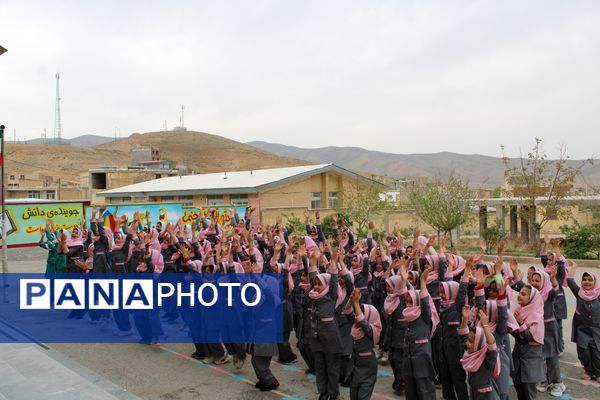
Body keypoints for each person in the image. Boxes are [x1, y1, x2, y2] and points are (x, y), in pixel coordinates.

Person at [344, 289, 382, 400]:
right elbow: (347, 312)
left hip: (368, 368)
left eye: (360, 313)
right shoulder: (356, 326)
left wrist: (356, 303)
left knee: (363, 397)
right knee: (354, 395)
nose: (357, 316)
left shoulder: (372, 329)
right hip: (355, 367)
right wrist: (351, 301)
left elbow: (365, 325)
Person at [510, 284, 545, 400]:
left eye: (523, 294)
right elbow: (518, 337)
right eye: (520, 293)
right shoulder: (519, 310)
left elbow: (529, 338)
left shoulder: (536, 316)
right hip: (519, 355)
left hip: (530, 358)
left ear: (532, 298)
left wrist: (521, 323)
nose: (519, 295)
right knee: (518, 384)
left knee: (529, 390)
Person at [567, 261, 600, 382]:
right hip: (582, 330)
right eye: (584, 279)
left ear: (595, 282)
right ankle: (588, 370)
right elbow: (570, 281)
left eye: (590, 280)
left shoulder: (598, 294)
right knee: (583, 352)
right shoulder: (579, 293)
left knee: (597, 354)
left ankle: (598, 372)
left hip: (597, 331)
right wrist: (573, 268)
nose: (587, 282)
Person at [458, 307, 501, 399]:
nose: (467, 343)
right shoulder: (472, 354)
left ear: (479, 343)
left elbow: (492, 346)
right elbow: (463, 338)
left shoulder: (487, 359)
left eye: (470, 341)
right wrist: (465, 318)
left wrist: (485, 325)